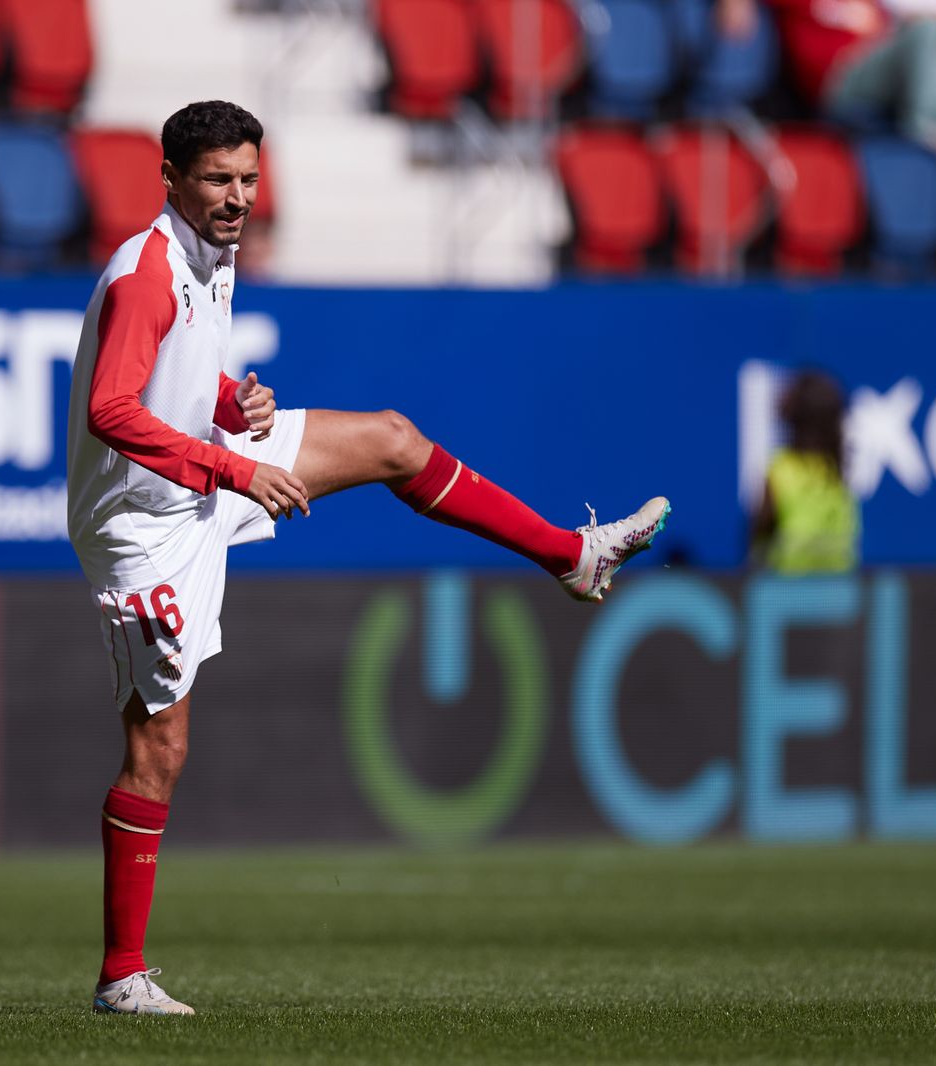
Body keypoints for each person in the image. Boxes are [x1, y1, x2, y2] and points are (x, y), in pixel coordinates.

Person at [68, 101, 670, 1016]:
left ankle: (572, 556)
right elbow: (111, 409)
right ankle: (122, 978)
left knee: (393, 439)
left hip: (198, 479)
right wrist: (235, 465)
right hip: (143, 529)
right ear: (171, 180)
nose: (237, 199)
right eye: (218, 181)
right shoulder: (150, 272)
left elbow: (171, 379)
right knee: (160, 753)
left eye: (248, 180)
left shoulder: (209, 257)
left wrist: (231, 402)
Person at [720, 0, 936, 148]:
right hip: (840, 80)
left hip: (886, 70)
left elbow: (900, 24)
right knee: (926, 30)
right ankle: (923, 129)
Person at [748, 369, 858, 573]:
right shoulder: (838, 469)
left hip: (790, 595)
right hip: (840, 593)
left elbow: (759, 533)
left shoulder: (781, 468)